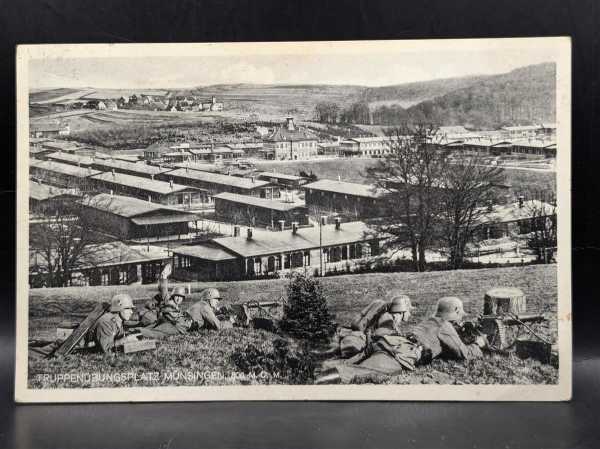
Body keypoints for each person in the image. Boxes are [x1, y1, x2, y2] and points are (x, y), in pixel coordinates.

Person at [316, 296, 486, 384]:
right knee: (359, 372)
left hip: (389, 344)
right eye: (459, 314)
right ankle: (314, 383)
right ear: (455, 311)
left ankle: (314, 371)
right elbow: (463, 354)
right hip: (400, 353)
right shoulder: (445, 326)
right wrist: (478, 344)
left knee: (348, 366)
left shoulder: (430, 321)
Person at [318, 295, 414, 361]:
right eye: (409, 310)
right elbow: (380, 335)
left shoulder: (388, 317)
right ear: (402, 310)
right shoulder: (387, 318)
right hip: (358, 343)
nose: (409, 314)